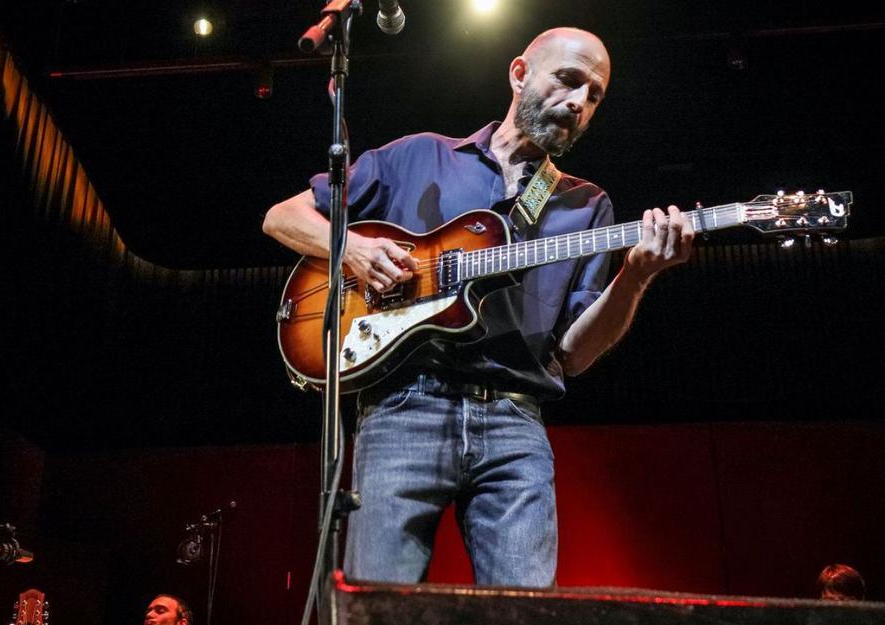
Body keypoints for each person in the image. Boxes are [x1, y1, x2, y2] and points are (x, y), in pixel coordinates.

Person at [263, 27, 694, 587]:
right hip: (402, 411)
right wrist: (356, 251)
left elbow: (574, 354)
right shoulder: (417, 156)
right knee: (379, 618)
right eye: (568, 80)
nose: (578, 103)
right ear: (519, 74)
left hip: (516, 427)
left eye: (594, 95)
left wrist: (637, 275)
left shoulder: (587, 204)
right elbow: (281, 217)